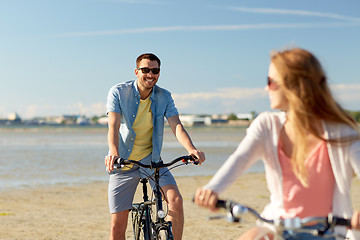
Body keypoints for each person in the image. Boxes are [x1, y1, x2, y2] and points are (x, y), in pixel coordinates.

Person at [194, 48, 360, 239]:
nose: (266, 88)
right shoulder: (267, 125)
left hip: (328, 231)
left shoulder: (341, 132)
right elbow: (239, 159)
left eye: (270, 82)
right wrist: (212, 190)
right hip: (277, 225)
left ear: (294, 86)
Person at [105, 53, 205, 240]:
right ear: (136, 72)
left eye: (155, 70)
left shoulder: (164, 96)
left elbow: (176, 125)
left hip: (152, 162)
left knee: (175, 200)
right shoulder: (118, 92)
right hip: (123, 162)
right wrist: (114, 154)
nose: (150, 74)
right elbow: (114, 125)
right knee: (117, 227)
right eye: (145, 70)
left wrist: (191, 149)